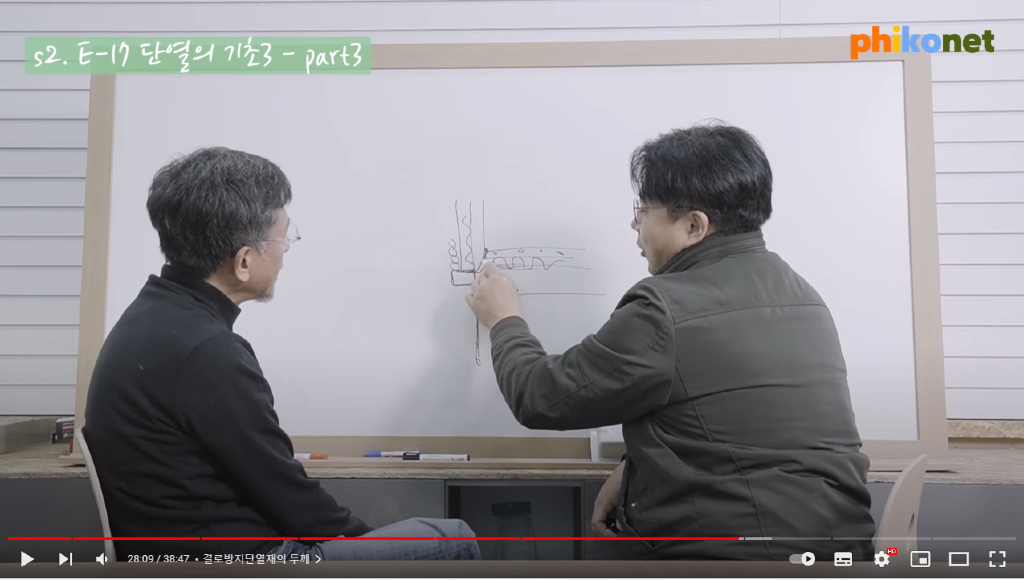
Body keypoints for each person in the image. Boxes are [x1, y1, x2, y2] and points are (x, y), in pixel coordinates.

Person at [464, 121, 877, 561]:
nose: (634, 224)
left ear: (694, 226)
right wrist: (635, 467)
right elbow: (741, 429)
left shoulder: (665, 308)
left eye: (644, 210)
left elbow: (541, 397)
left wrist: (503, 319)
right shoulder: (801, 295)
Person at [84, 147, 480, 562]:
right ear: (243, 261)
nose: (286, 248)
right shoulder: (208, 353)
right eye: (282, 236)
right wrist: (367, 545)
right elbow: (294, 502)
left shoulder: (149, 318)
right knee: (450, 539)